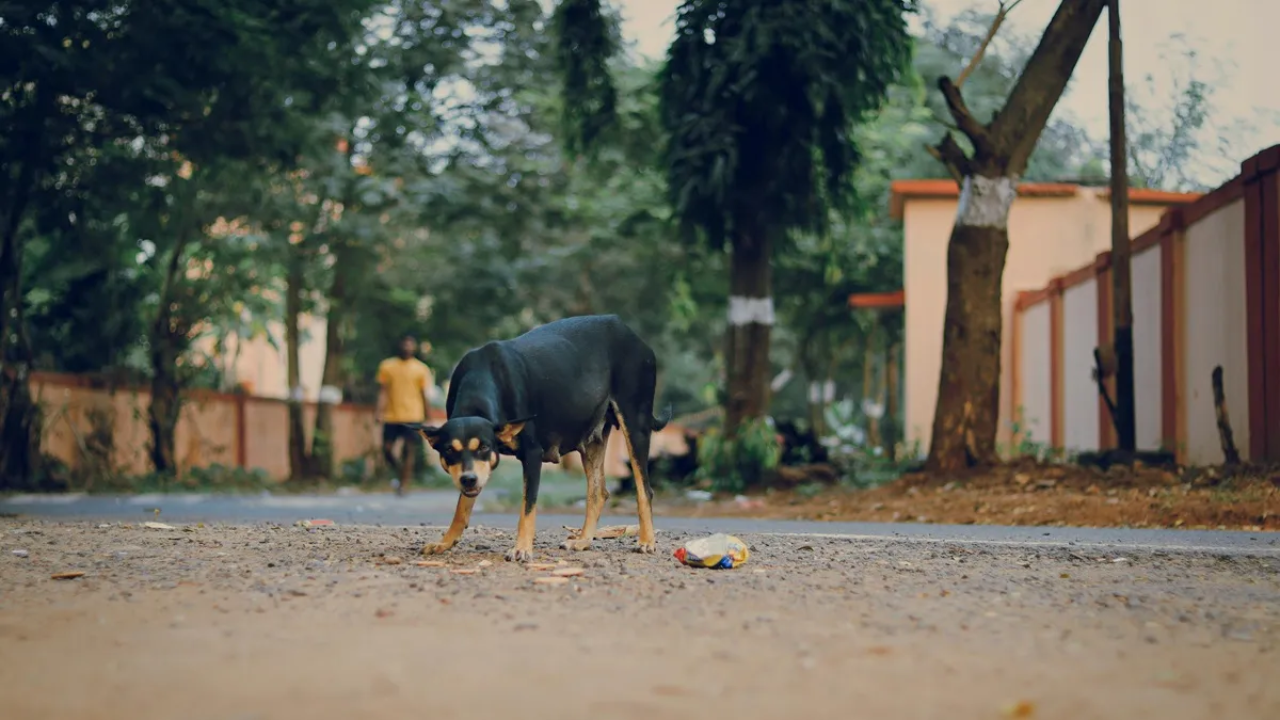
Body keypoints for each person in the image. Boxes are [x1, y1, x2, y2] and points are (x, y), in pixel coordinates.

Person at [375, 334, 434, 496]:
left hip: (413, 415)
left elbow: (424, 394)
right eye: (404, 344)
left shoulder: (421, 368)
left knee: (409, 451)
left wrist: (428, 416)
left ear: (414, 348)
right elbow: (383, 391)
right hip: (391, 416)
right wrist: (378, 412)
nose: (407, 347)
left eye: (410, 345)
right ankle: (400, 471)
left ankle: (404, 484)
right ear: (400, 346)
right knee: (387, 450)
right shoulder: (387, 366)